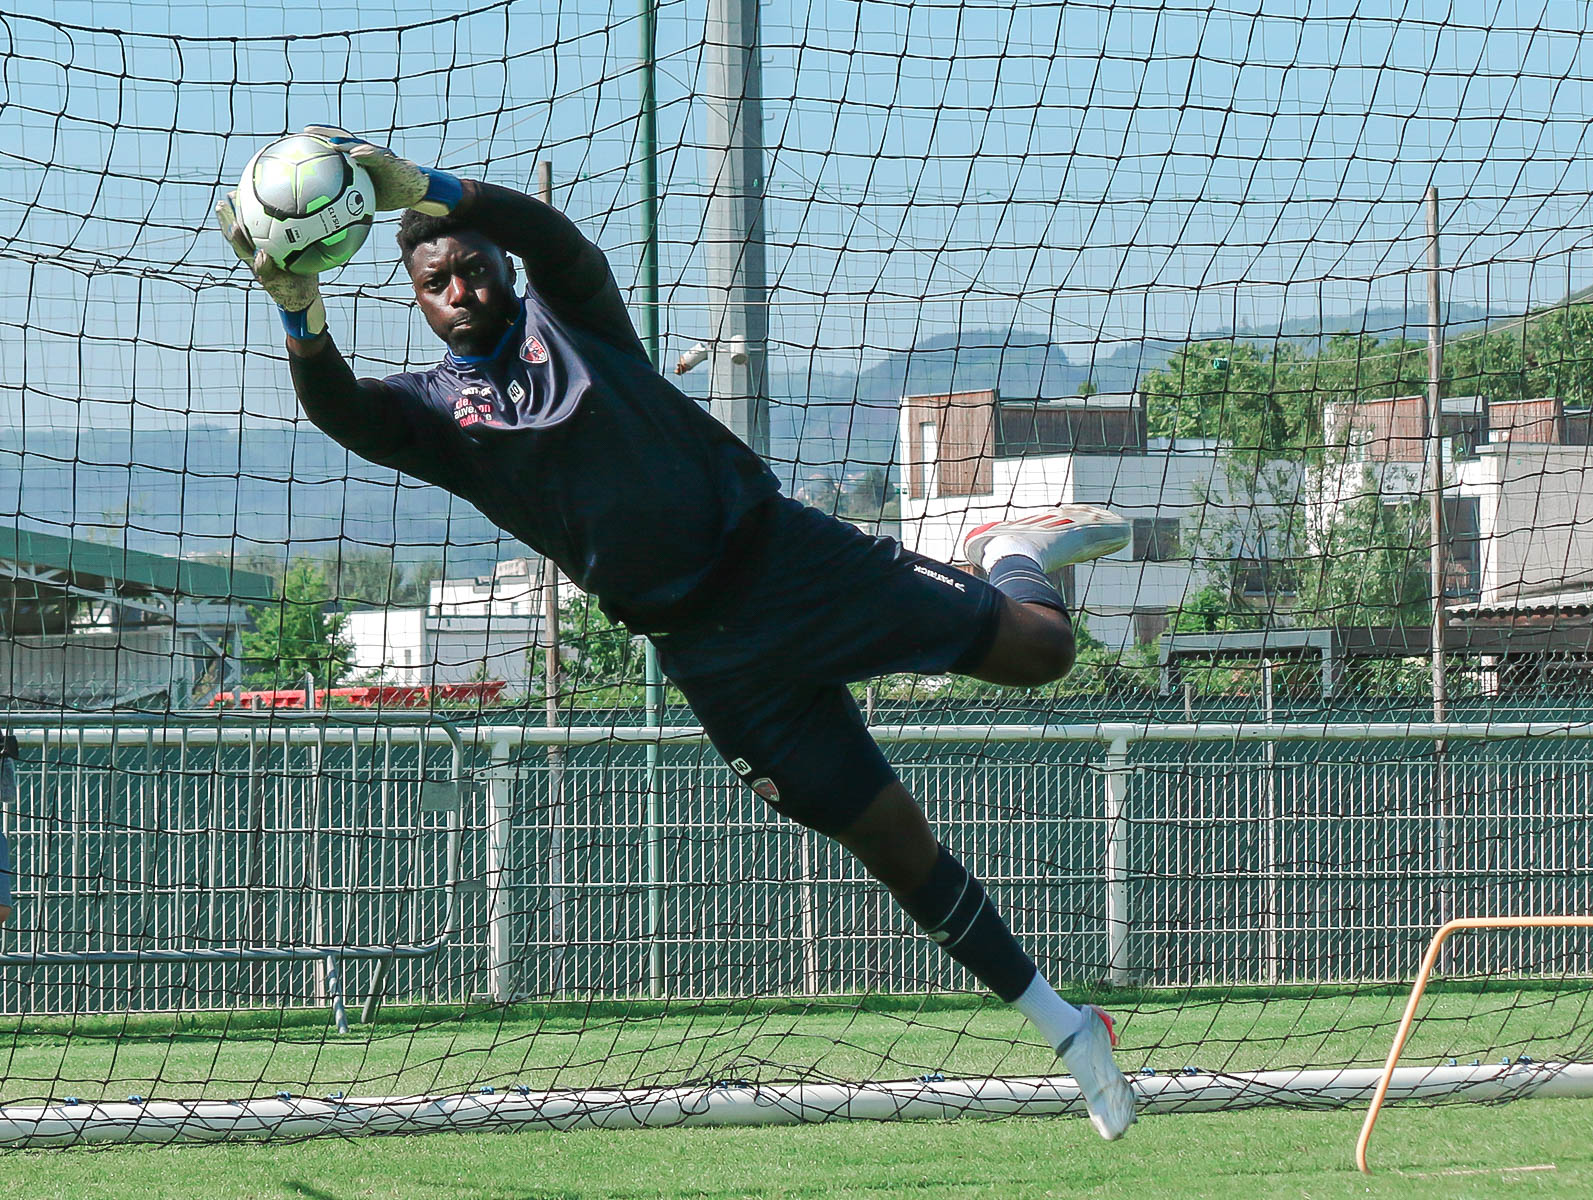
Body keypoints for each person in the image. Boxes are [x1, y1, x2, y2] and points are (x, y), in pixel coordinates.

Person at [216, 128, 1137, 1139]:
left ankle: (1007, 546)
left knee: (1043, 654)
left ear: (501, 271)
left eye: (475, 269)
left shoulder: (576, 324)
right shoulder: (438, 418)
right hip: (709, 654)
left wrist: (433, 189)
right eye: (439, 282)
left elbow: (564, 247)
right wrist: (297, 306)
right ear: (419, 301)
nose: (462, 291)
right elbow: (341, 409)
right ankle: (1063, 1025)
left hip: (789, 564)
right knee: (888, 844)